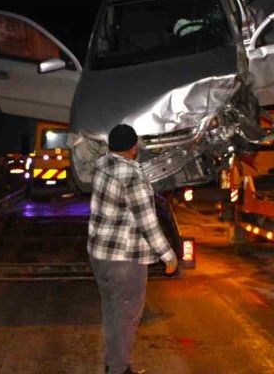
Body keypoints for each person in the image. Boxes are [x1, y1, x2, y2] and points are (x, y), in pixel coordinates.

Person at [88, 124, 178, 374]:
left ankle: (113, 363)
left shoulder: (102, 165)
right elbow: (147, 223)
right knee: (127, 317)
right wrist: (168, 255)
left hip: (100, 256)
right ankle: (118, 369)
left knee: (112, 312)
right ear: (133, 148)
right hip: (124, 259)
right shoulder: (131, 176)